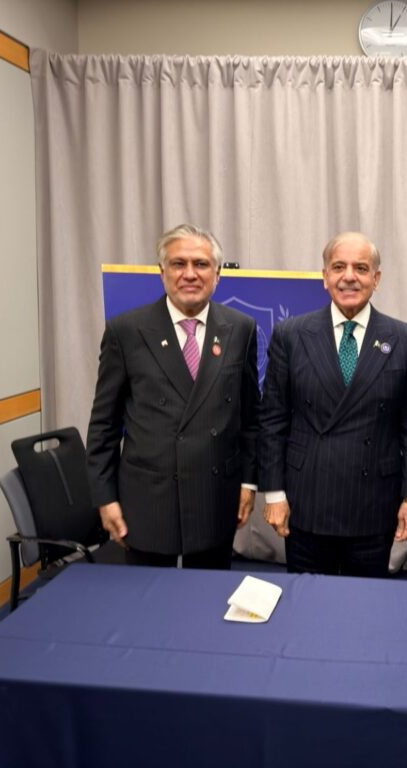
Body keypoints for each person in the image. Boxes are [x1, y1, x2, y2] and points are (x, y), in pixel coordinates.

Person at [86, 223, 259, 568]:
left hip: (215, 497)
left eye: (201, 264)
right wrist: (105, 498)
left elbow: (251, 419)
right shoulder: (126, 331)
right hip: (148, 500)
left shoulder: (241, 328)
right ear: (162, 272)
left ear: (218, 274)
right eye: (179, 264)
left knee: (209, 595)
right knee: (149, 597)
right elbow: (104, 425)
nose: (190, 274)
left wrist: (249, 482)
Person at [258, 232, 407, 576]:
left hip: (374, 505)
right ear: (325, 277)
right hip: (307, 501)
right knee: (307, 601)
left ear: (376, 279)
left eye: (361, 268)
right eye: (339, 267)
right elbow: (273, 420)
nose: (349, 276)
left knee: (364, 604)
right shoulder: (291, 335)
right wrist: (274, 493)